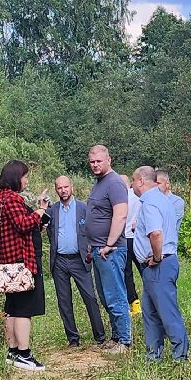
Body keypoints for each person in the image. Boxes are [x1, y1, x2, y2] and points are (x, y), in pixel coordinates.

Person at [0, 159, 50, 371]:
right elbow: (23, 225)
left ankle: (12, 351)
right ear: (16, 178)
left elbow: (14, 228)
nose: (26, 181)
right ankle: (24, 354)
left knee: (12, 308)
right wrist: (40, 210)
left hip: (6, 263)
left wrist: (37, 222)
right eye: (25, 177)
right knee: (24, 309)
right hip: (21, 263)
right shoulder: (13, 199)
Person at [131, 166, 188, 361]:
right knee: (150, 311)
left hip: (159, 266)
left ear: (140, 181)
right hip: (157, 266)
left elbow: (156, 233)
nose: (131, 184)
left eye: (133, 180)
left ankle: (180, 355)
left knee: (167, 311)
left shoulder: (150, 203)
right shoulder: (161, 199)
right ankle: (153, 355)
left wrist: (156, 258)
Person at [44, 175, 107, 347]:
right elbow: (46, 230)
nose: (63, 190)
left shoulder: (83, 208)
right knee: (64, 301)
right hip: (59, 261)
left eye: (66, 187)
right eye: (59, 188)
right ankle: (73, 339)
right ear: (56, 190)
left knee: (90, 297)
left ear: (71, 187)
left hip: (79, 259)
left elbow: (92, 229)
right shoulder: (52, 210)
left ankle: (100, 336)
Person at [85, 145, 133, 352]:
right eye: (92, 162)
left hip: (111, 251)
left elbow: (120, 215)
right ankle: (115, 336)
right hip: (98, 249)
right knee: (106, 296)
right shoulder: (99, 183)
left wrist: (109, 244)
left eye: (99, 161)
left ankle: (124, 341)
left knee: (115, 295)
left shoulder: (115, 183)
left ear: (109, 160)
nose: (95, 165)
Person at [156, 169, 185, 269]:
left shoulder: (177, 202)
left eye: (158, 183)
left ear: (167, 184)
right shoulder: (151, 200)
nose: (156, 187)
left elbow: (167, 225)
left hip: (167, 251)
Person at [120, 172, 141, 310]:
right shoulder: (138, 196)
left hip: (124, 239)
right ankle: (153, 298)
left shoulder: (120, 198)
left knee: (127, 272)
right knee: (144, 268)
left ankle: (134, 303)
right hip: (138, 238)